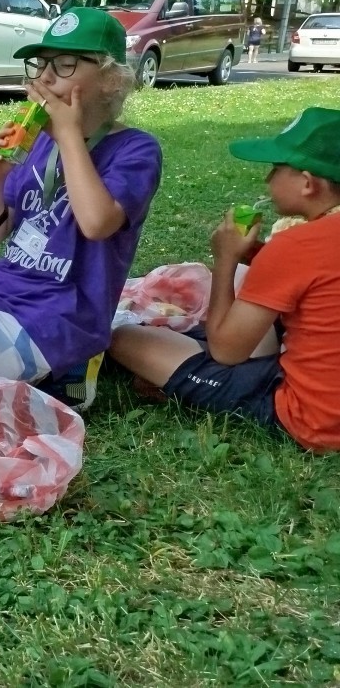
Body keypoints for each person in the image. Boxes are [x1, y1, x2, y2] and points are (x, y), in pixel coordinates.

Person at [0, 8, 162, 422]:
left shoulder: (136, 150)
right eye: (41, 64)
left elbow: (97, 223)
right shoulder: (38, 142)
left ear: (110, 78)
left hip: (62, 311)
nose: (45, 77)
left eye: (65, 64)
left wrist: (68, 134)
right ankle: (51, 374)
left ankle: (66, 385)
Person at [110, 108, 340, 452]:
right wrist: (258, 258)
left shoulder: (297, 245)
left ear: (308, 183)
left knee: (123, 338)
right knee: (249, 280)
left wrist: (226, 259)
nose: (267, 179)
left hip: (315, 419)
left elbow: (226, 352)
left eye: (276, 168)